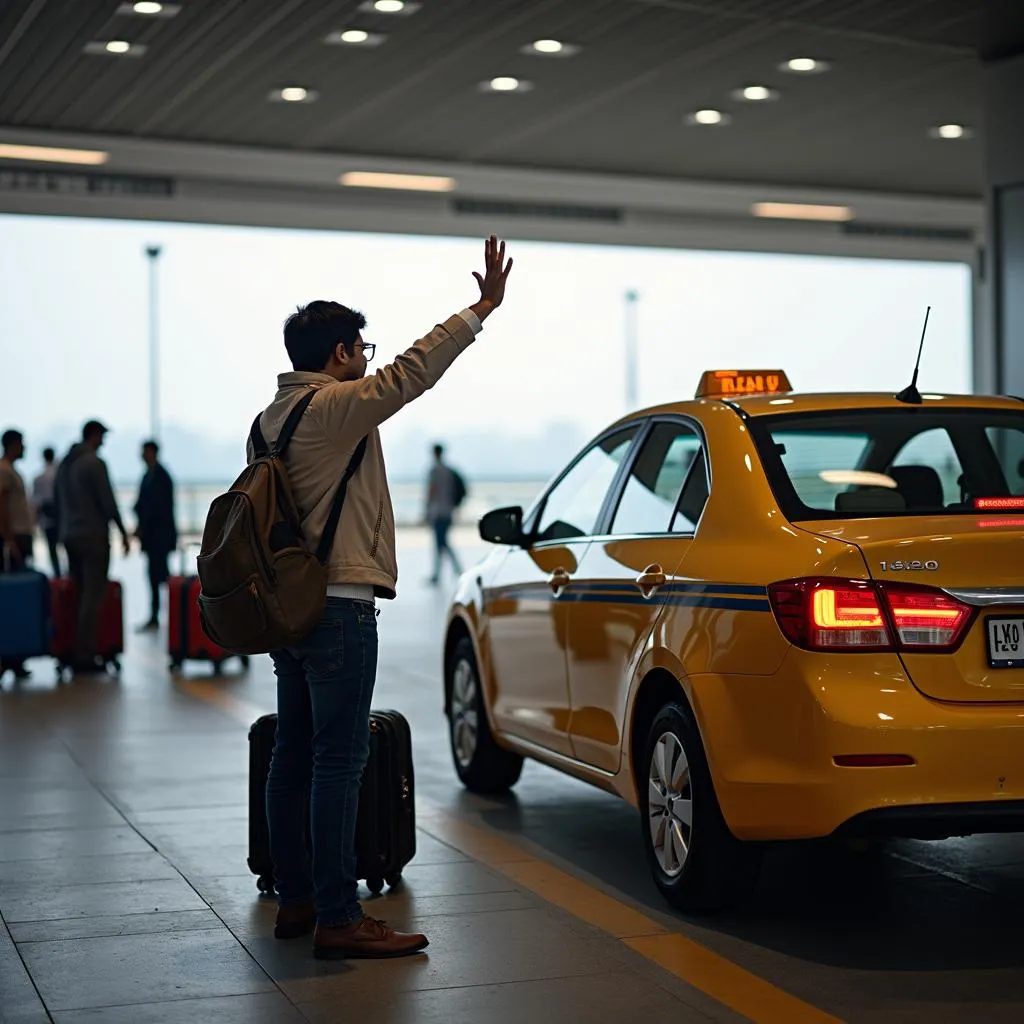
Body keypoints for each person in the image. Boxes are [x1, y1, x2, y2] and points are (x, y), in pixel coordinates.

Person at [259, 235, 512, 960]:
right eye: (360, 348)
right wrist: (481, 309)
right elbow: (413, 373)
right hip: (338, 606)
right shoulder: (333, 407)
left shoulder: (268, 420)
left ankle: (297, 899)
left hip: (289, 610)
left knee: (294, 753)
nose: (369, 358)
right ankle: (339, 916)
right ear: (338, 354)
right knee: (339, 760)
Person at [56, 421, 131, 674]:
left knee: (77, 594)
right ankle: (85, 654)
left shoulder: (64, 465)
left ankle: (72, 646)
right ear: (94, 435)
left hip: (70, 535)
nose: (103, 442)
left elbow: (56, 502)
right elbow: (107, 502)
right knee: (92, 596)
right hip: (92, 538)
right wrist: (123, 532)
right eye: (102, 437)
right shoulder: (94, 463)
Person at [0, 429, 36, 681]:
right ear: (13, 445)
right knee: (12, 598)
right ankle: (9, 654)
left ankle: (16, 655)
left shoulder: (11, 470)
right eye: (21, 444)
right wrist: (9, 538)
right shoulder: (4, 471)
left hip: (19, 537)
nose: (25, 448)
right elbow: (1, 506)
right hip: (13, 539)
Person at [133, 440, 177, 631]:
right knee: (155, 576)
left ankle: (170, 614)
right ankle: (161, 615)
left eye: (145, 452)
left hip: (159, 536)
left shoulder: (159, 476)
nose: (142, 455)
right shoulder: (150, 475)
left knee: (160, 577)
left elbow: (156, 508)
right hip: (153, 537)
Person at [424, 443, 464, 585]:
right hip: (448, 511)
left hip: (437, 512)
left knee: (441, 543)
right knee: (443, 543)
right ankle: (454, 571)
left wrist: (426, 511)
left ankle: (447, 572)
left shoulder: (434, 471)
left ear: (434, 453)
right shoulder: (449, 471)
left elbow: (431, 492)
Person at [32, 446, 62, 576]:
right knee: (65, 548)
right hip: (61, 517)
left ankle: (57, 574)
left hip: (47, 518)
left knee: (52, 549)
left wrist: (34, 523)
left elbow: (36, 503)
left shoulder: (38, 478)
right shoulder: (59, 475)